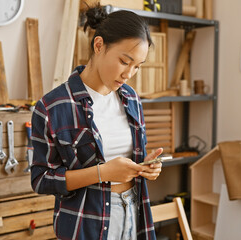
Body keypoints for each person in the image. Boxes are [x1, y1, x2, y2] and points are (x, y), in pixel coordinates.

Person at [31, 5, 163, 240]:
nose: (128, 74)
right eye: (124, 61)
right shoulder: (52, 107)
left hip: (133, 210)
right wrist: (102, 173)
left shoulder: (131, 99)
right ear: (99, 45)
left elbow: (128, 160)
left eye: (137, 67)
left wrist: (145, 167)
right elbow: (41, 180)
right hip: (85, 223)